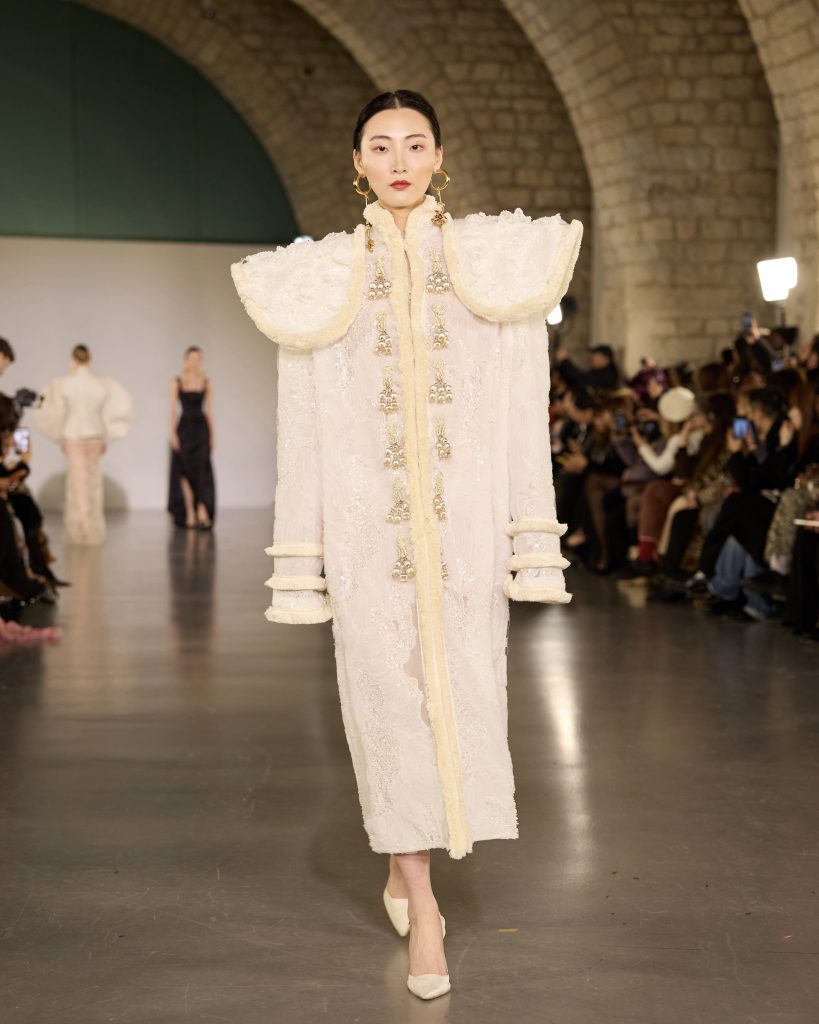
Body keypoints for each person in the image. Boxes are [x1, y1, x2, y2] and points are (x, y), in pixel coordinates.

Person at [231, 90, 582, 1001]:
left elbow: (522, 417)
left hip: (464, 531)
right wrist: (304, 555)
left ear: (438, 156)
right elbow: (302, 428)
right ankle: (424, 904)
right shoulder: (319, 279)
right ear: (356, 162)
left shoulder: (493, 267)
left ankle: (404, 863)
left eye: (414, 143)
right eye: (380, 146)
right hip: (366, 532)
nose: (398, 160)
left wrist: (526, 534)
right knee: (386, 705)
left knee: (458, 698)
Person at [34, 345, 133, 545]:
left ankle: (81, 531)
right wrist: (106, 436)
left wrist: (59, 436)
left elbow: (54, 410)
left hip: (73, 435)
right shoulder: (100, 385)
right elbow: (114, 410)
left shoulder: (65, 384)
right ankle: (92, 531)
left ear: (73, 359)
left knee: (77, 484)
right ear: (90, 359)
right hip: (95, 434)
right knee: (93, 484)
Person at [167, 347, 216, 530]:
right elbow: (173, 410)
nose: (194, 362)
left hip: (201, 430)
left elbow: (210, 411)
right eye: (191, 358)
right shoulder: (177, 382)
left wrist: (213, 435)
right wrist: (173, 434)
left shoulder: (206, 382)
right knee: (183, 471)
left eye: (198, 359)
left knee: (201, 470)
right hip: (184, 429)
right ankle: (189, 512)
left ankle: (201, 509)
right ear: (185, 360)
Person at [554, 342, 620, 392]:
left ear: (605, 359)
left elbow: (580, 378)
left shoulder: (607, 376)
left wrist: (564, 360)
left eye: (595, 355)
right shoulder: (597, 372)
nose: (591, 357)